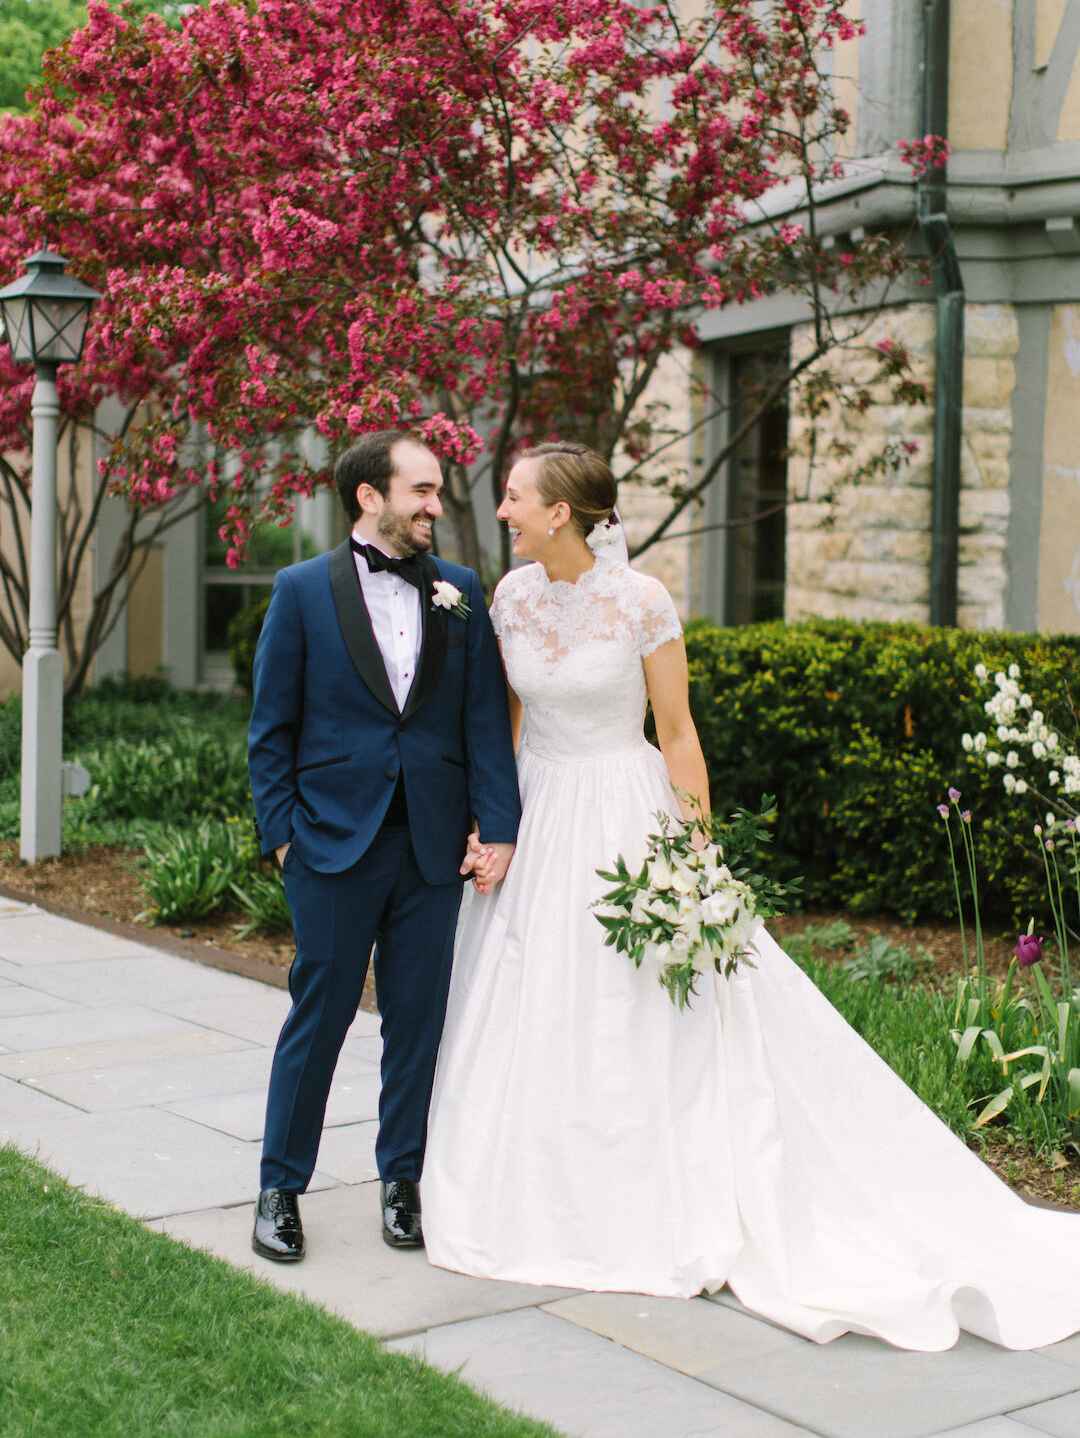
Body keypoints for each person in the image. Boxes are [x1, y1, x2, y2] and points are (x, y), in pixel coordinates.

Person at [422, 440, 1080, 1352]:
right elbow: (513, 721)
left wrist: (698, 853)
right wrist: (498, 820)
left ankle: (652, 1191)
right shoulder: (511, 596)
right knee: (526, 995)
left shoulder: (642, 602)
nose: (502, 509)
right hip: (541, 810)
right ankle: (525, 1184)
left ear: (561, 512)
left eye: (514, 496)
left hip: (623, 809)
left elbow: (679, 731)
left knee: (634, 1002)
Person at [248, 429, 520, 1262]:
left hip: (432, 848)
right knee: (318, 1018)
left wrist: (498, 827)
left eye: (437, 491)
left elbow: (483, 722)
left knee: (419, 1022)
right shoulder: (300, 590)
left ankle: (402, 1182)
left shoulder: (461, 591)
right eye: (423, 491)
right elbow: (270, 730)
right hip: (331, 847)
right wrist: (284, 838)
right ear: (371, 496)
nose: (437, 505)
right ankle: (279, 1188)